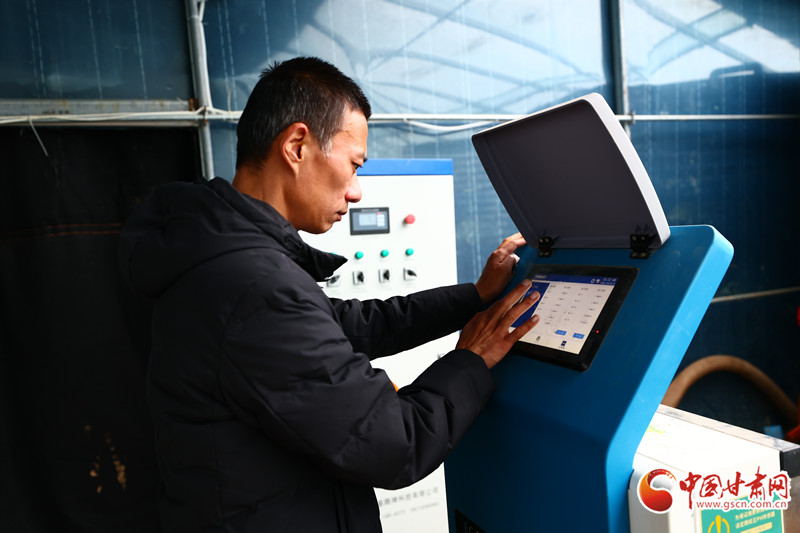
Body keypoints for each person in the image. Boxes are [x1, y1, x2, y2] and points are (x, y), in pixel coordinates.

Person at [119, 56, 540, 533]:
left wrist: (475, 296)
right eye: (354, 164)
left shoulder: (217, 256)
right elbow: (395, 443)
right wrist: (472, 359)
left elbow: (354, 325)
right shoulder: (255, 286)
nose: (357, 192)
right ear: (296, 146)